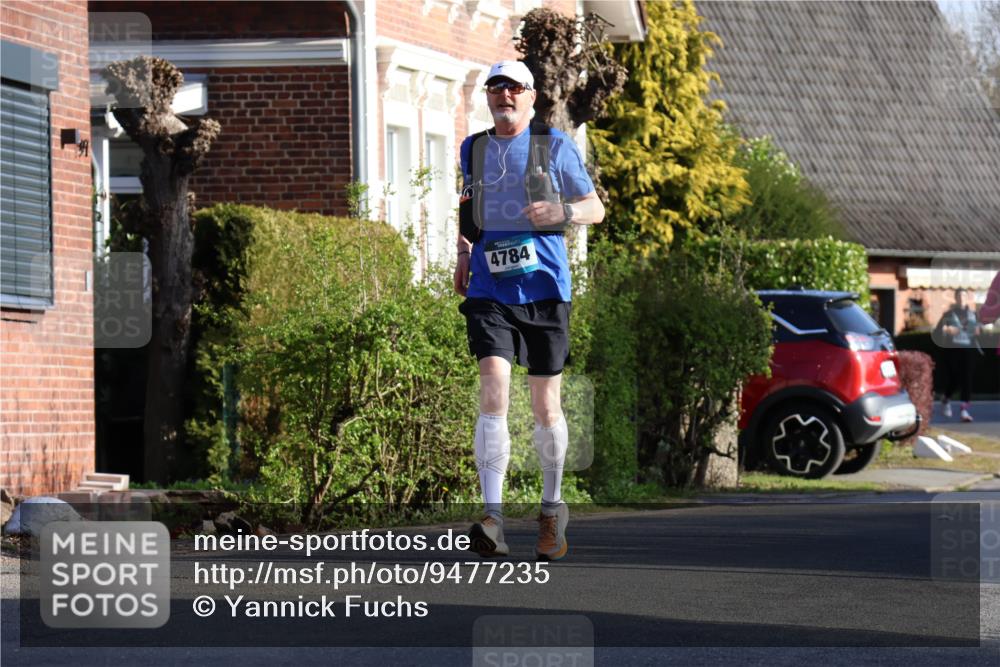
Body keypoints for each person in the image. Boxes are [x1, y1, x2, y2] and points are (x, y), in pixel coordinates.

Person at [453, 61, 604, 561]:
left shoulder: (553, 145)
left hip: (544, 289)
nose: (504, 96)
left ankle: (550, 509)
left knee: (545, 407)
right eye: (496, 89)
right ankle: (493, 518)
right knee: (494, 387)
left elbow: (594, 208)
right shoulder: (472, 148)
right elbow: (468, 209)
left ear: (531, 96)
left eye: (513, 88)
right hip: (488, 287)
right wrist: (461, 255)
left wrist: (562, 213)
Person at [936, 288, 982, 422]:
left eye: (964, 295)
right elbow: (939, 330)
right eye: (959, 295)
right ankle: (945, 399)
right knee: (954, 379)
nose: (961, 298)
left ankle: (964, 410)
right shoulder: (949, 314)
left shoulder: (973, 314)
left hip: (968, 350)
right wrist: (946, 330)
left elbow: (979, 331)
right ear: (955, 298)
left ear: (967, 298)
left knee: (967, 378)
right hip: (952, 350)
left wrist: (978, 330)